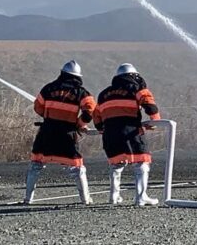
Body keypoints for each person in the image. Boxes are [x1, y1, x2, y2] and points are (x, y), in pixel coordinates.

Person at [25, 60, 96, 205]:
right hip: (67, 135)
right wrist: (79, 124)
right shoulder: (81, 93)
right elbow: (90, 111)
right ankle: (85, 200)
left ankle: (27, 199)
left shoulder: (48, 88)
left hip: (46, 133)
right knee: (77, 167)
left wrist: (50, 117)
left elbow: (38, 107)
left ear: (62, 73)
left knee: (35, 165)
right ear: (78, 77)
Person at [93, 63, 162, 206]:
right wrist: (155, 121)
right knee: (141, 162)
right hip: (130, 132)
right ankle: (141, 197)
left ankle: (114, 197)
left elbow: (96, 116)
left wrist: (102, 130)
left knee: (116, 164)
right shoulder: (137, 88)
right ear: (134, 76)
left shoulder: (103, 94)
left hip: (110, 135)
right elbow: (150, 105)